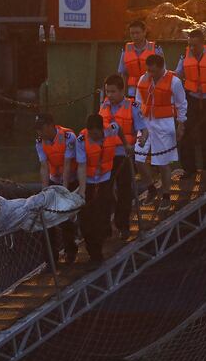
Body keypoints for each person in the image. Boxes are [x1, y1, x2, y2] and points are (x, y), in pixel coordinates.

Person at [134, 54, 187, 210]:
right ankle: (151, 188)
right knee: (139, 158)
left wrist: (181, 124)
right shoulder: (143, 79)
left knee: (163, 162)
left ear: (161, 67)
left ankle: (166, 194)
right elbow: (137, 102)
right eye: (148, 70)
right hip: (145, 123)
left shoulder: (174, 82)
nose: (150, 74)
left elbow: (181, 104)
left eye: (153, 71)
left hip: (164, 124)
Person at [76, 114, 130, 263]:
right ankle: (93, 251)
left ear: (102, 130)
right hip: (89, 181)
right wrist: (82, 189)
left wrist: (125, 145)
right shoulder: (81, 140)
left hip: (105, 178)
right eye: (90, 133)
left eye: (95, 133)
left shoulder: (111, 129)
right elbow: (81, 166)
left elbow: (119, 128)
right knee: (87, 218)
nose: (93, 136)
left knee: (103, 211)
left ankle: (102, 239)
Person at [99, 74, 148, 241]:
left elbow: (143, 128)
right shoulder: (104, 106)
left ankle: (123, 226)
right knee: (104, 191)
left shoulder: (132, 106)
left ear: (122, 91)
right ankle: (105, 227)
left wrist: (141, 139)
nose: (110, 95)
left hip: (124, 156)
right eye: (107, 91)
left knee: (125, 191)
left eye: (113, 91)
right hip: (106, 156)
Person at [174, 29, 206, 179]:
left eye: (195, 45)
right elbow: (178, 76)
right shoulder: (184, 56)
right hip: (191, 98)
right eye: (189, 45)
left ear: (202, 43)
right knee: (186, 134)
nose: (192, 48)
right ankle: (189, 169)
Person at [35, 113, 81, 264]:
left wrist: (65, 191)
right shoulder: (40, 142)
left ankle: (71, 251)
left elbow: (67, 164)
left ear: (50, 126)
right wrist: (45, 191)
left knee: (66, 217)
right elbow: (43, 166)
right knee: (47, 219)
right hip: (53, 180)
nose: (39, 133)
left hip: (71, 181)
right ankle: (50, 259)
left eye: (41, 129)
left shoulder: (68, 137)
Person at [118, 20, 164, 99]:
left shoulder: (155, 49)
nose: (135, 36)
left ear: (144, 32)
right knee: (134, 109)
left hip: (150, 91)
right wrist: (123, 94)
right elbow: (123, 74)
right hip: (132, 92)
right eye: (132, 33)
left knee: (147, 110)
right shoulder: (126, 50)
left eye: (137, 33)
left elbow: (162, 72)